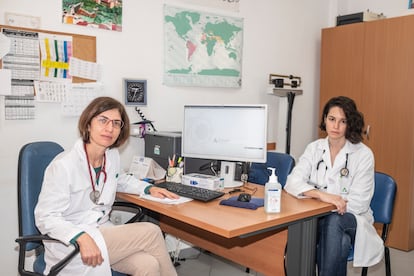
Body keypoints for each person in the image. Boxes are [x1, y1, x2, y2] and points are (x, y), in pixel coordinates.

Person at [35, 97, 179, 276]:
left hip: (102, 232)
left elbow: (120, 179)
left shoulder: (111, 156)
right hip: (71, 243)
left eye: (116, 123)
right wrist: (80, 237)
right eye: (103, 120)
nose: (110, 128)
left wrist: (147, 189)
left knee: (148, 265)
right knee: (151, 231)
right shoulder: (64, 165)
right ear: (88, 124)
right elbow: (45, 217)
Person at [284, 96, 383, 276]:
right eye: (331, 119)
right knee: (340, 242)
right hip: (319, 218)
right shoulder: (315, 148)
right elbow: (292, 182)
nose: (335, 126)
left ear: (350, 123)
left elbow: (358, 204)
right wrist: (323, 196)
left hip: (353, 219)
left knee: (334, 221)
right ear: (324, 120)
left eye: (342, 121)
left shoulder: (363, 154)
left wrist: (315, 197)